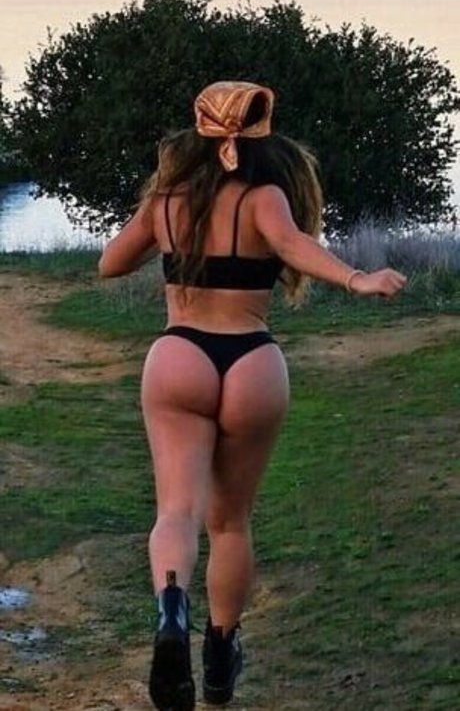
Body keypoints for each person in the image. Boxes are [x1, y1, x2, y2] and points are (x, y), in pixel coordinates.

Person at [98, 80, 407, 711]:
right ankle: (220, 654)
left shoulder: (167, 201)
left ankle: (172, 612)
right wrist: (358, 279)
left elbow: (110, 263)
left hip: (180, 355)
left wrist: (164, 227)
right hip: (252, 362)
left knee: (176, 512)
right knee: (230, 520)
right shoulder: (266, 198)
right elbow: (296, 248)